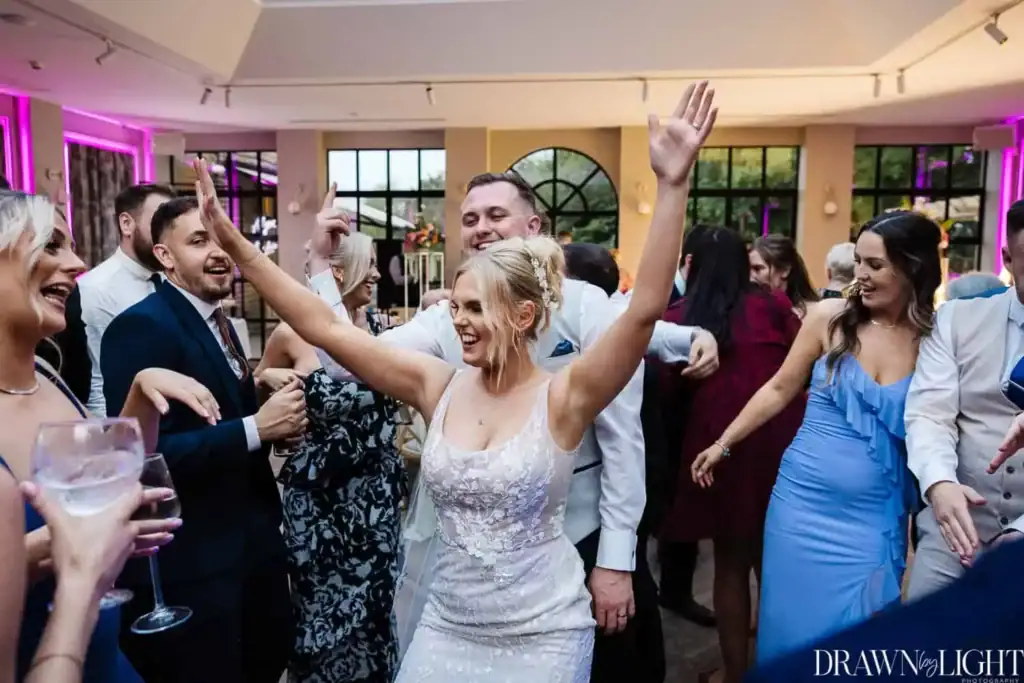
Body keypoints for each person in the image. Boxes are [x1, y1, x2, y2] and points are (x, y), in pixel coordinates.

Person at [193, 80, 718, 682]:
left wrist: (673, 183)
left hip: (542, 629)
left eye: (475, 309)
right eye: (457, 305)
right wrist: (239, 247)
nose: (458, 321)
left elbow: (647, 308)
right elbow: (325, 329)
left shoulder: (565, 396)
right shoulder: (435, 385)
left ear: (523, 316)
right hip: (446, 625)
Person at [691, 211, 942, 663]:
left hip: (874, 516)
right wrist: (723, 443)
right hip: (801, 508)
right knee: (791, 636)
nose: (861, 275)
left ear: (913, 267)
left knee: (862, 640)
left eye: (876, 265)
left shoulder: (936, 339)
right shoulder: (830, 318)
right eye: (860, 262)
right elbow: (779, 387)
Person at [0, 189, 217, 683]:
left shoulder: (46, 374)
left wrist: (140, 397)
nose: (77, 263)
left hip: (105, 657)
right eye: (52, 245)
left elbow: (109, 481)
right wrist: (64, 546)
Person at [101, 197, 301, 683]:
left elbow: (211, 413)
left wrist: (256, 390)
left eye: (222, 240)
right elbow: (148, 454)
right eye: (199, 240)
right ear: (165, 256)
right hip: (198, 558)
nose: (219, 252)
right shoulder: (141, 327)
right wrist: (258, 428)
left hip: (251, 543)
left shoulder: (221, 323)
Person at [256, 232, 404, 683]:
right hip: (321, 506)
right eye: (371, 263)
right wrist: (270, 377)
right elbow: (257, 380)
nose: (378, 274)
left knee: (376, 609)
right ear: (338, 270)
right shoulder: (291, 333)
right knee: (320, 612)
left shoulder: (377, 329)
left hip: (375, 499)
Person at [660, 226, 804, 683]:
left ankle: (734, 672)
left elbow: (662, 390)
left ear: (690, 266)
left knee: (730, 564)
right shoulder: (773, 306)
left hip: (716, 449)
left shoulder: (681, 317)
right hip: (780, 443)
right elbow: (802, 365)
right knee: (772, 565)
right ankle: (778, 667)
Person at [904, 199, 1024, 601]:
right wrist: (939, 483)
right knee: (921, 643)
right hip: (957, 523)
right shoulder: (957, 319)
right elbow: (929, 413)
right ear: (1007, 257)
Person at [563, 242, 665, 683]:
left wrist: (616, 561)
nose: (483, 230)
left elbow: (623, 444)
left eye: (496, 216)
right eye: (470, 219)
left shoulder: (588, 314)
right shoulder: (466, 322)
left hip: (589, 531)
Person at [79, 184, 176, 416]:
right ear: (126, 224)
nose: (168, 234)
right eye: (158, 222)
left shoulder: (172, 277)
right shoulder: (96, 289)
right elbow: (97, 382)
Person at [749, 234, 820, 318]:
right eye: (748, 269)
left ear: (785, 270)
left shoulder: (814, 315)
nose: (751, 278)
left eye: (758, 269)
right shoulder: (747, 312)